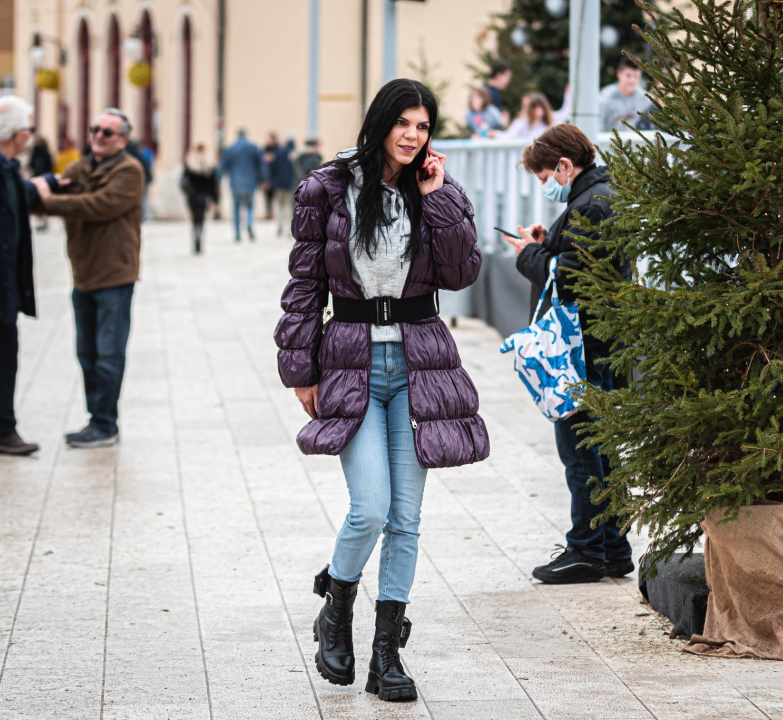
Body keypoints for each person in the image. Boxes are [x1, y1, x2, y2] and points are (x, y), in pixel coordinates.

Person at [274, 78, 488, 700]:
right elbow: (304, 286)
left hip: (419, 365)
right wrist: (301, 370)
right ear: (380, 123)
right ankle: (335, 607)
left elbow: (462, 271)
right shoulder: (326, 189)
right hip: (352, 363)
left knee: (406, 519)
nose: (412, 136)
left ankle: (386, 655)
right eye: (404, 123)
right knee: (368, 508)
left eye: (423, 127)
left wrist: (440, 199)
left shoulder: (437, 192)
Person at [502, 124, 633, 584]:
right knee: (602, 448)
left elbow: (569, 280)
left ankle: (587, 549)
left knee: (581, 445)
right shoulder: (599, 195)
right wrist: (546, 243)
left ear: (564, 165)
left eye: (544, 178)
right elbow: (574, 259)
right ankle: (612, 547)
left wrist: (528, 254)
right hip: (603, 340)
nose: (546, 187)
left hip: (583, 346)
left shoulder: (591, 205)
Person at [31, 108, 144, 449]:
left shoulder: (130, 170)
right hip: (82, 273)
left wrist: (47, 199)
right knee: (86, 352)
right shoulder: (78, 167)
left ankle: (104, 423)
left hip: (114, 275)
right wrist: (48, 196)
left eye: (108, 132)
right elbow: (62, 197)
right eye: (95, 128)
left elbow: (98, 205)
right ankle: (96, 419)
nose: (98, 135)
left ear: (123, 139)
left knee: (109, 353)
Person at [0, 96, 42, 456]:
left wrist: (48, 184)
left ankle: (6, 430)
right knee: (5, 356)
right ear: (18, 134)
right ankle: (6, 430)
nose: (30, 138)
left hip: (5, 287)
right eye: (29, 130)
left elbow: (19, 197)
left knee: (7, 355)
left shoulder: (8, 169)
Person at [219, 128, 264, 242]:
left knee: (236, 208)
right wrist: (263, 179)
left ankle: (238, 233)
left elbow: (223, 166)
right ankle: (248, 223)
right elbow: (260, 165)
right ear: (246, 135)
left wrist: (217, 180)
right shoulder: (253, 147)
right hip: (250, 181)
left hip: (235, 182)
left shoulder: (230, 148)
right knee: (249, 205)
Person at [180, 143, 219, 254]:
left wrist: (187, 192)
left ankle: (195, 237)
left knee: (194, 219)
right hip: (203, 197)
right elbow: (213, 185)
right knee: (201, 220)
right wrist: (215, 200)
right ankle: (199, 238)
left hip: (192, 196)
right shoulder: (208, 165)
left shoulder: (190, 164)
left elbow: (183, 182)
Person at [600, 56, 654, 132]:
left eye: (636, 77)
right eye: (628, 75)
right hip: (610, 142)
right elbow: (598, 127)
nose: (632, 80)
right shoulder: (605, 97)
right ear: (619, 74)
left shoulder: (646, 99)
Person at [269, 135, 297, 236]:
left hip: (279, 184)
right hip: (291, 184)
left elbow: (272, 167)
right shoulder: (295, 152)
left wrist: (273, 180)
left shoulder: (279, 152)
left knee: (280, 206)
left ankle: (279, 226)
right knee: (290, 207)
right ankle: (289, 229)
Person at [27, 133, 53, 231]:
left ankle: (39, 219)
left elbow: (31, 164)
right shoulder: (46, 152)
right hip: (45, 178)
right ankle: (44, 219)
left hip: (36, 178)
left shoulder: (35, 152)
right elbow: (50, 165)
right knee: (44, 199)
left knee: (37, 199)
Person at [262, 131, 280, 219]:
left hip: (275, 176)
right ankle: (268, 213)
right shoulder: (265, 149)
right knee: (267, 196)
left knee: (276, 196)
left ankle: (274, 213)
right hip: (267, 177)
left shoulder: (278, 149)